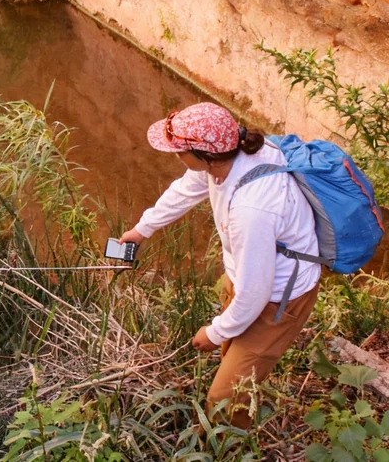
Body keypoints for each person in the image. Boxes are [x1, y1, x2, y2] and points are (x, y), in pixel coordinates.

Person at [119, 103, 321, 428]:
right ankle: (245, 395)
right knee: (234, 363)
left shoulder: (252, 209)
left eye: (180, 151)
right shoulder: (231, 157)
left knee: (224, 398)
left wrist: (213, 332)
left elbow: (256, 294)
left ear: (207, 156)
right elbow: (186, 189)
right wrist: (143, 229)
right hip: (246, 274)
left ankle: (226, 445)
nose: (176, 156)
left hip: (279, 298)